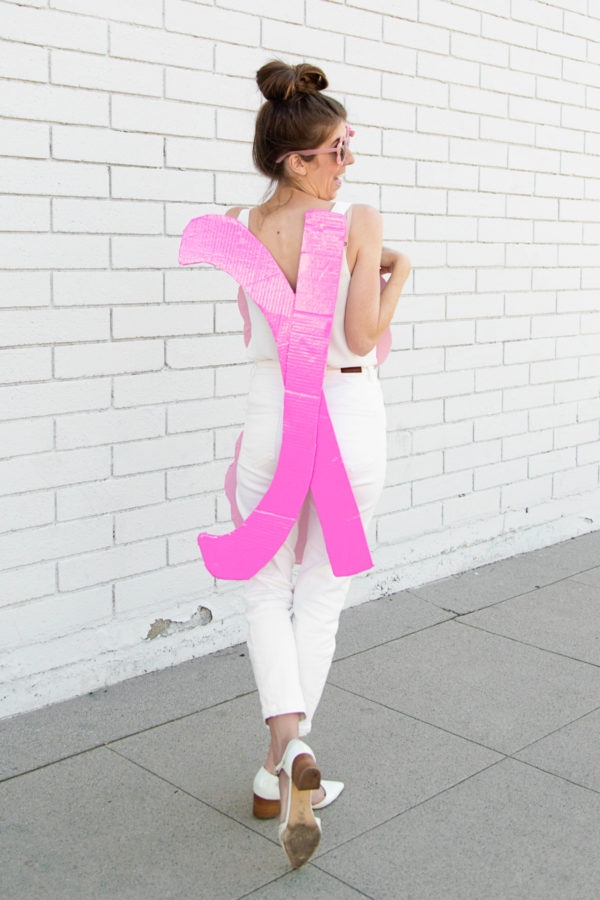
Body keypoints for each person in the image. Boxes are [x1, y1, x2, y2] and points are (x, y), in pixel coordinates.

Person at [224, 59, 411, 868]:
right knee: (322, 593)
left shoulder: (238, 223)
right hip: (342, 413)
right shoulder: (355, 220)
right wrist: (400, 273)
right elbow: (362, 338)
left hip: (271, 416)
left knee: (265, 587)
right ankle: (292, 752)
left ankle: (281, 761)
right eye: (337, 149)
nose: (348, 164)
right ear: (297, 159)